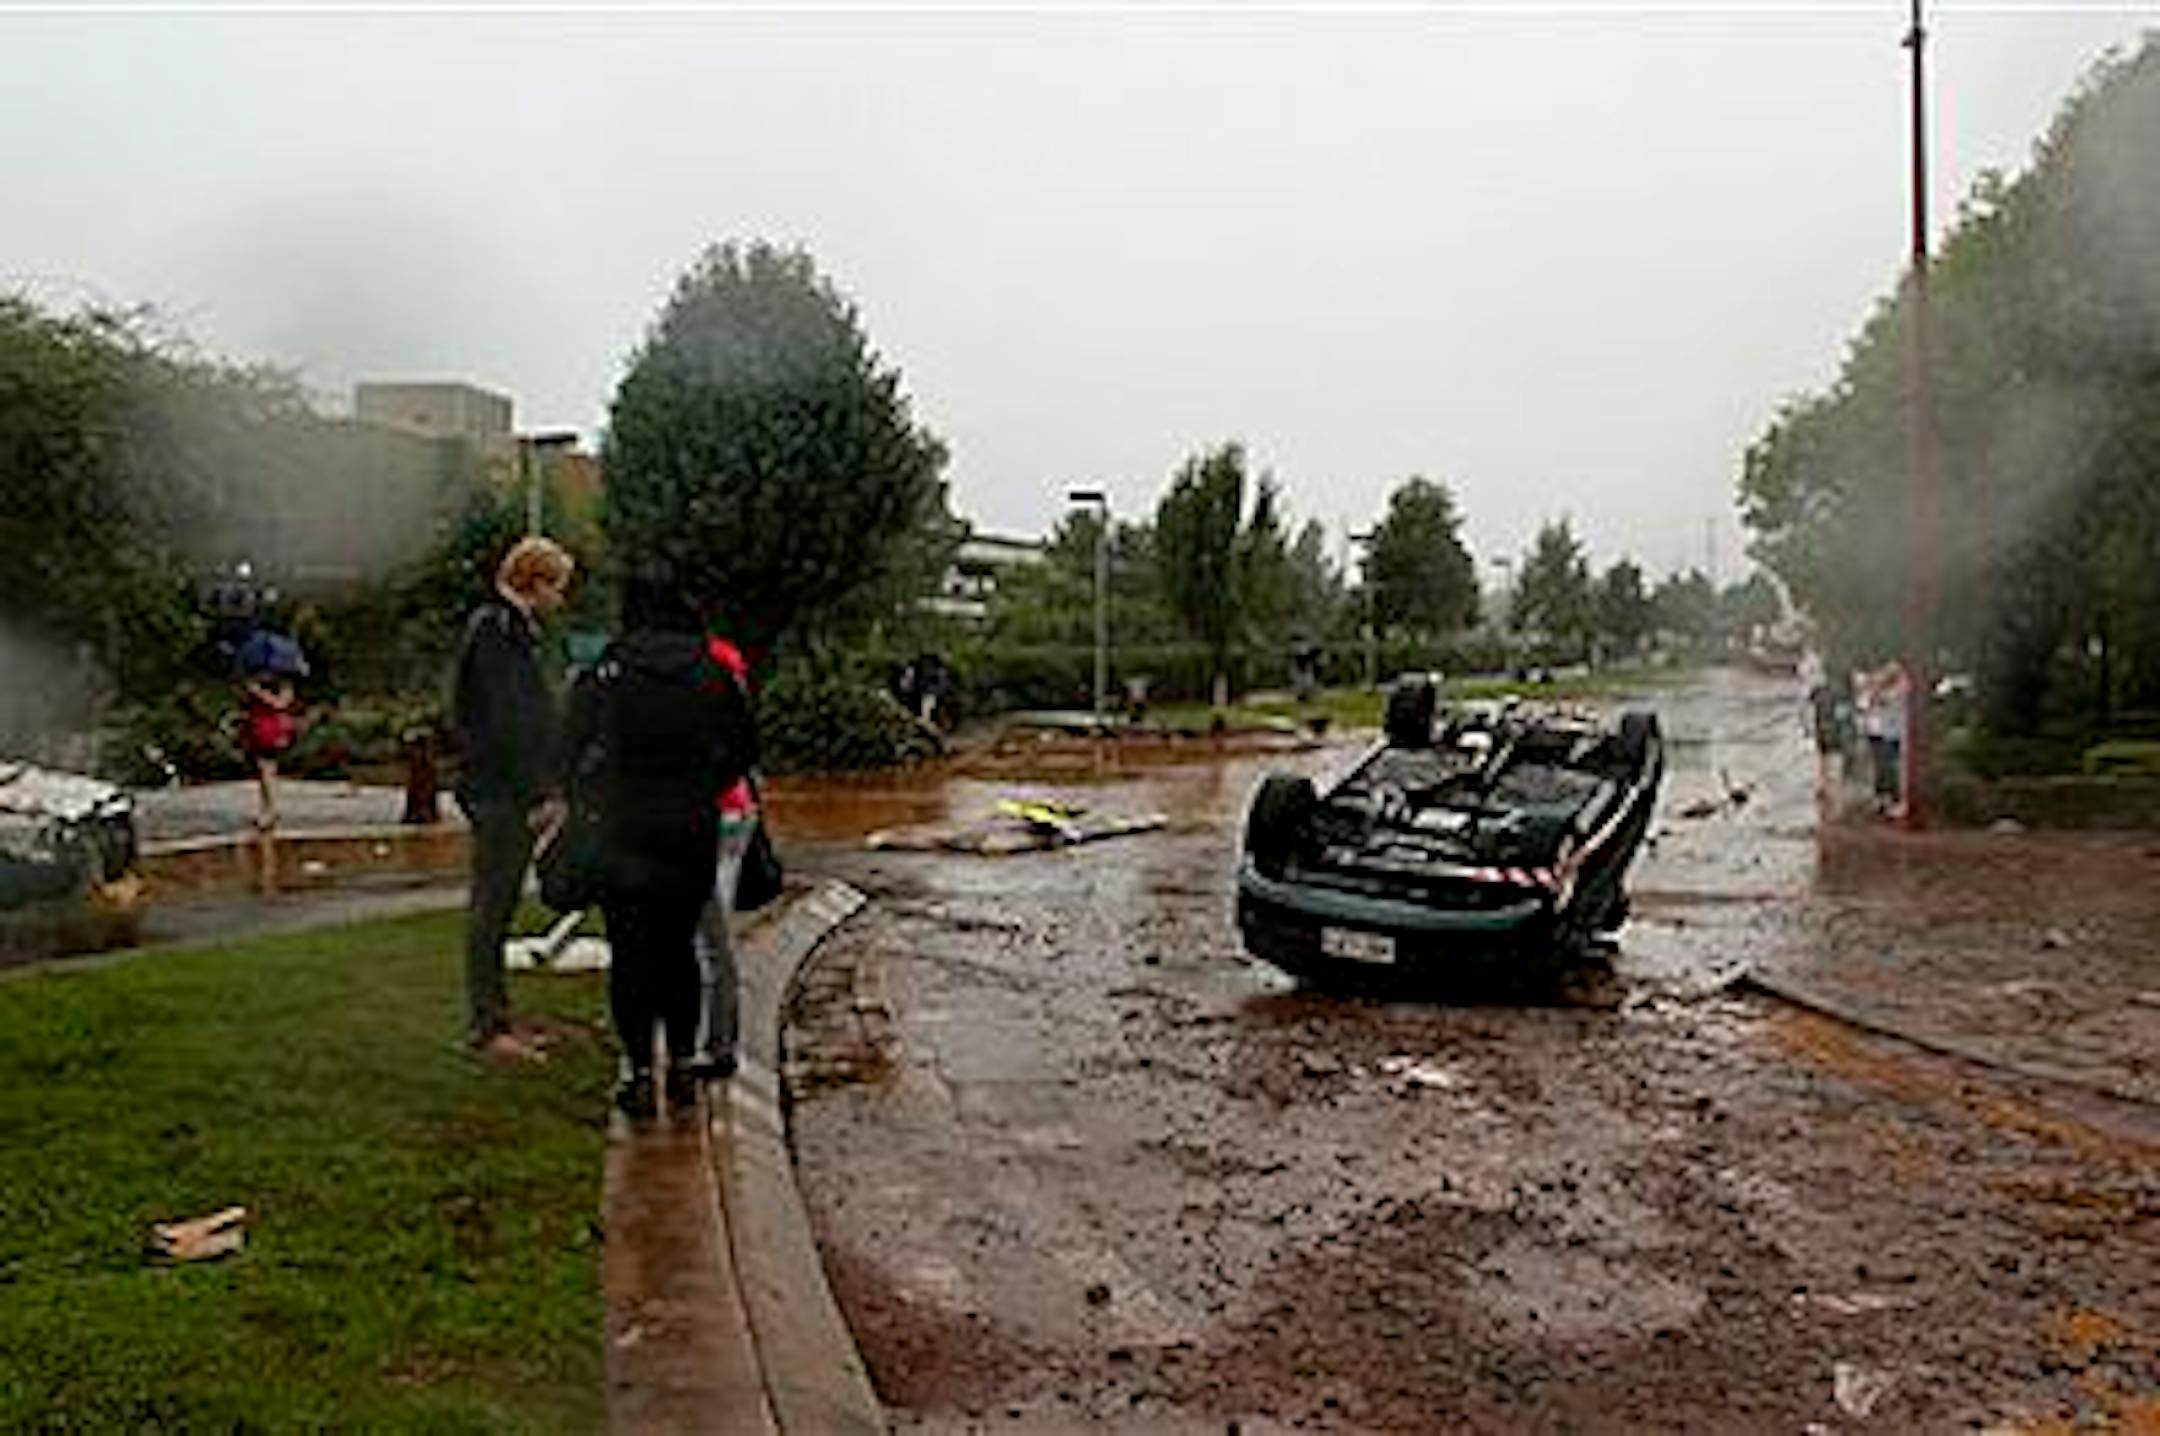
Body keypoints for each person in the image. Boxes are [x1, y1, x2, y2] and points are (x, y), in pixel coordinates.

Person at [560, 575, 754, 1118]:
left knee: (632, 954)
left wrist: (591, 797)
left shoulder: (607, 670)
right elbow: (745, 747)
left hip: (623, 830)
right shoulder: (712, 672)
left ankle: (641, 1069)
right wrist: (703, 788)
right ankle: (685, 1065)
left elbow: (568, 745)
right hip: (690, 831)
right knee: (680, 952)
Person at [450, 536, 574, 1060]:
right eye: (558, 586)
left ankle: (496, 1018)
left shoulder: (507, 630)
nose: (561, 600)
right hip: (500, 792)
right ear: (536, 581)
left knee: (497, 905)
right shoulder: (499, 632)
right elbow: (510, 722)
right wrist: (538, 792)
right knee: (493, 906)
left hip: (501, 787)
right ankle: (488, 1027)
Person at [691, 632, 764, 1082]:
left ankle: (714, 1046)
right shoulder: (723, 658)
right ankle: (714, 1040)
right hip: (732, 810)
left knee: (708, 939)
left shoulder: (699, 664)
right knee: (710, 934)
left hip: (714, 816)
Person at [239, 669, 299, 831]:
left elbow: (281, 704)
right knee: (262, 770)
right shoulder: (256, 680)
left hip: (272, 729)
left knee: (267, 769)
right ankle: (265, 808)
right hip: (258, 729)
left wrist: (260, 692)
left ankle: (270, 810)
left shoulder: (283, 684)